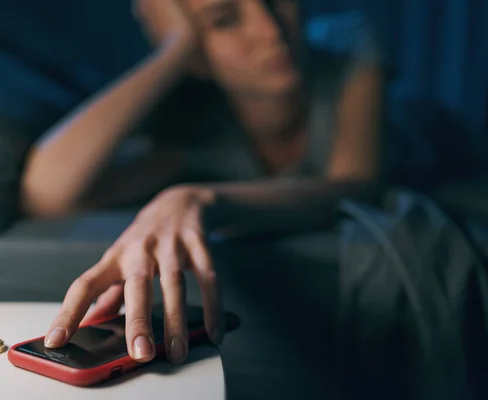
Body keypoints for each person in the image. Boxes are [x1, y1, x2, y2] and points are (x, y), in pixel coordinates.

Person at [27, 0, 384, 366]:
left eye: (276, 2)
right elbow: (46, 192)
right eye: (225, 20)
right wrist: (177, 47)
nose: (270, 31)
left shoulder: (350, 44)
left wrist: (196, 198)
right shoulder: (195, 133)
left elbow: (354, 184)